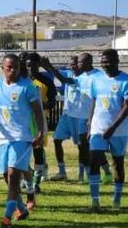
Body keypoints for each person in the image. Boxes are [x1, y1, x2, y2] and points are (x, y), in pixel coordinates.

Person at [0, 54, 45, 227]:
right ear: (2, 67)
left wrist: (41, 132)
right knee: (6, 176)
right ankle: (21, 207)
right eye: (10, 67)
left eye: (16, 67)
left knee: (13, 176)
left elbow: (37, 111)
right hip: (3, 138)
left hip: (22, 137)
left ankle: (6, 216)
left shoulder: (27, 86)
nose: (13, 70)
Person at [41, 54, 114, 184]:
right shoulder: (70, 73)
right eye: (71, 65)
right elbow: (57, 74)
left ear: (85, 63)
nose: (73, 67)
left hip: (84, 116)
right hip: (67, 115)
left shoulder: (96, 75)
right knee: (57, 140)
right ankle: (62, 172)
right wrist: (46, 65)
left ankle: (99, 172)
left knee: (85, 147)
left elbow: (64, 79)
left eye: (76, 64)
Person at [86, 49, 128, 211]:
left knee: (117, 164)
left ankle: (116, 200)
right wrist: (89, 123)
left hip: (118, 131)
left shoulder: (127, 80)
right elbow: (94, 101)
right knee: (94, 162)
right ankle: (95, 202)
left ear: (117, 61)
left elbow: (126, 107)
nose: (105, 64)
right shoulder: (96, 79)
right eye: (103, 61)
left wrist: (112, 128)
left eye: (109, 61)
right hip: (98, 129)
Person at [25, 52, 56, 194]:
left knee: (38, 150)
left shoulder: (46, 81)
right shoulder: (22, 80)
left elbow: (52, 103)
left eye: (33, 65)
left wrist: (40, 106)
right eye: (28, 65)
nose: (30, 68)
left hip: (39, 120)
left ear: (39, 65)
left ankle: (36, 183)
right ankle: (27, 177)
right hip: (23, 120)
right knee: (23, 151)